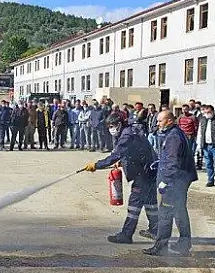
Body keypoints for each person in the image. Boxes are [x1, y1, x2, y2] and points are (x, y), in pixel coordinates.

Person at [82, 113, 159, 244]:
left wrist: (96, 165)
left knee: (134, 205)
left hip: (144, 174)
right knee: (150, 203)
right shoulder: (131, 130)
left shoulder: (126, 135)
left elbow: (115, 154)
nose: (110, 129)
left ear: (119, 124)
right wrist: (122, 161)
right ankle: (155, 230)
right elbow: (133, 151)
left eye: (111, 126)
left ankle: (126, 234)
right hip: (150, 171)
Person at [143, 110, 198, 256]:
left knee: (165, 213)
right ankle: (184, 244)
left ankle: (160, 247)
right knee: (179, 211)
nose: (158, 124)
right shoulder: (172, 133)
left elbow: (172, 162)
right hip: (180, 179)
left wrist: (165, 182)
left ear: (169, 121)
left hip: (175, 182)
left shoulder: (173, 137)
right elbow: (168, 158)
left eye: (160, 121)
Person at [196, 105, 215, 190]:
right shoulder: (202, 120)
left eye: (209, 112)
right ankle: (210, 180)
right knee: (208, 164)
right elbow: (200, 133)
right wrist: (199, 145)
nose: (207, 114)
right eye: (205, 112)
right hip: (206, 146)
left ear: (213, 112)